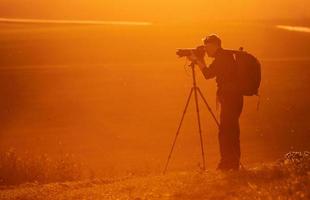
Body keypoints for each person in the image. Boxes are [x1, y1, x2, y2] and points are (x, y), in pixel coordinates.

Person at [189, 34, 243, 170]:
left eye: (207, 47)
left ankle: (227, 163)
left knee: (226, 130)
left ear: (214, 45)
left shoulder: (222, 58)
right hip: (234, 97)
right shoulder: (225, 56)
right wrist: (200, 60)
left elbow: (208, 74)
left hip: (230, 97)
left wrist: (198, 60)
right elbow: (211, 72)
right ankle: (232, 162)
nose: (206, 51)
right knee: (231, 130)